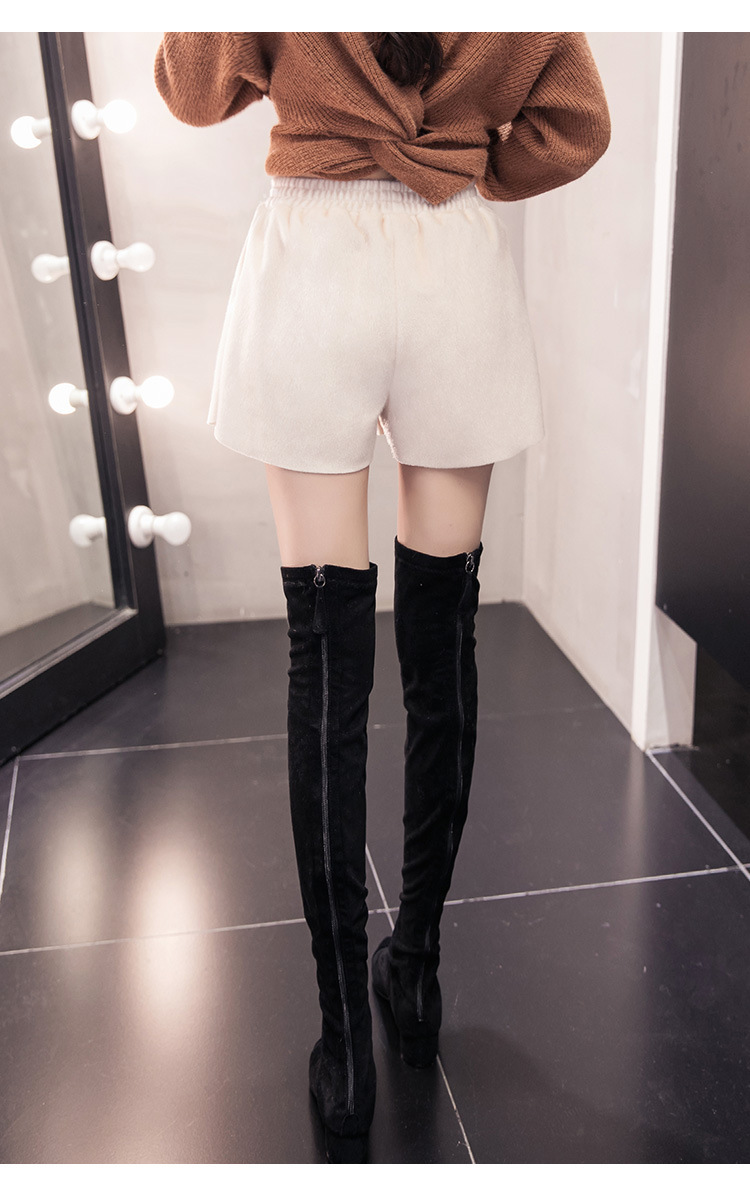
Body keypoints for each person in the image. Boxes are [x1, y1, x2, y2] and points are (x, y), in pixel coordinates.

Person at [154, 31, 611, 1163]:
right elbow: (575, 125)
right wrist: (456, 157)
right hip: (452, 260)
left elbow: (193, 88)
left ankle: (344, 1047)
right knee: (443, 636)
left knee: (326, 652)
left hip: (313, 256)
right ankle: (415, 973)